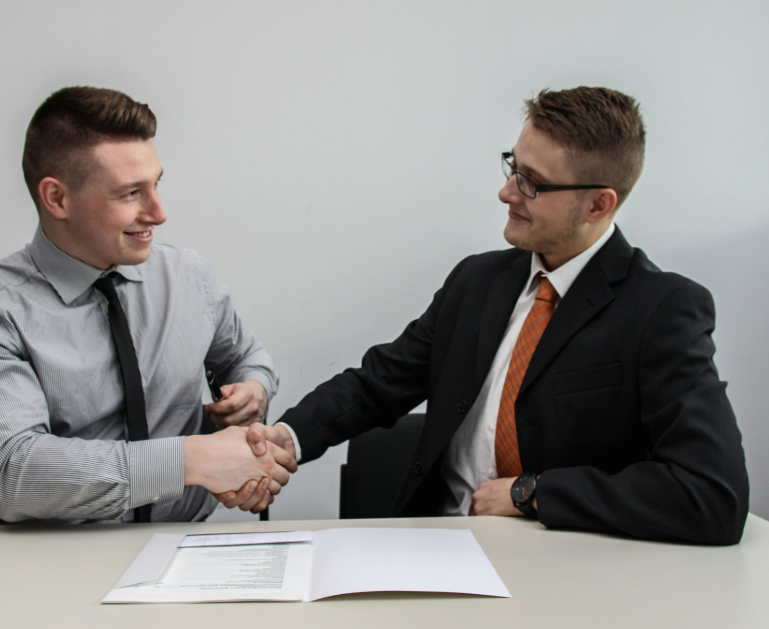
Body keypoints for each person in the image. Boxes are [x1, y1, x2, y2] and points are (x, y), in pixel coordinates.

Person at [223, 86, 750, 544]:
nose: (507, 192)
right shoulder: (478, 281)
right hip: (436, 549)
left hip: (567, 572)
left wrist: (532, 493)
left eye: (532, 183)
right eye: (512, 167)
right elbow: (377, 384)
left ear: (598, 205)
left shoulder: (661, 309)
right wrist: (282, 440)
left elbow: (711, 494)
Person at [0, 86, 296, 524]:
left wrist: (251, 391)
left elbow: (246, 358)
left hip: (185, 547)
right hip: (50, 564)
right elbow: (15, 475)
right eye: (130, 194)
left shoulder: (189, 275)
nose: (158, 213)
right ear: (57, 199)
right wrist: (190, 460)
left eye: (156, 184)